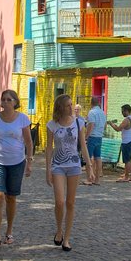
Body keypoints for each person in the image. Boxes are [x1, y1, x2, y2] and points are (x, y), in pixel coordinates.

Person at [0, 89, 33, 251]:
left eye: (8, 100)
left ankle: (9, 231)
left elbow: (29, 142)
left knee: (11, 197)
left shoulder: (23, 119)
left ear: (15, 102)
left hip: (17, 162)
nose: (5, 102)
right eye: (3, 99)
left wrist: (29, 162)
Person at [45, 94, 88, 252]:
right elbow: (49, 148)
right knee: (60, 202)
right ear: (60, 107)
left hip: (74, 165)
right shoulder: (52, 125)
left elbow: (83, 145)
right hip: (58, 165)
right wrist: (48, 169)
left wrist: (89, 166)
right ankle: (59, 230)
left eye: (72, 105)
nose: (72, 108)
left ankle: (67, 238)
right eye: (68, 105)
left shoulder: (79, 122)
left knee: (70, 203)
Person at [107, 104, 131, 182]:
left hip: (127, 142)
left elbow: (118, 129)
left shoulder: (126, 119)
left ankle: (126, 177)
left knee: (127, 161)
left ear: (126, 111)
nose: (122, 113)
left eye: (122, 111)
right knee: (129, 159)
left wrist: (111, 124)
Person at [84, 96, 107, 186]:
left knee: (89, 158)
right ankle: (97, 179)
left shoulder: (92, 112)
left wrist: (86, 136)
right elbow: (105, 126)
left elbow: (91, 125)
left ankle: (89, 179)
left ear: (91, 103)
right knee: (98, 157)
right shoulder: (102, 113)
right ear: (98, 103)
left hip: (92, 137)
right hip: (99, 137)